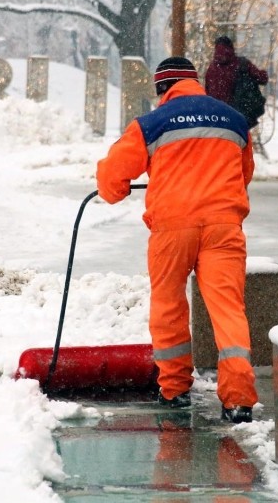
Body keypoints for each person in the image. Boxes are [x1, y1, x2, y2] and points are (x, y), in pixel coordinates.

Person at [95, 56, 258, 423]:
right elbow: (244, 173)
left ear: (161, 89)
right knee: (227, 309)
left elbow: (112, 180)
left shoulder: (151, 123)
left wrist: (120, 188)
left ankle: (175, 390)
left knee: (169, 305)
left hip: (172, 229)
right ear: (195, 82)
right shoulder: (233, 119)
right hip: (224, 226)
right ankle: (238, 399)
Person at [205, 35, 269, 127]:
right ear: (231, 48)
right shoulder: (241, 63)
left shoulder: (212, 68)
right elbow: (263, 79)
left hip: (216, 117)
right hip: (238, 116)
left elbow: (207, 91)